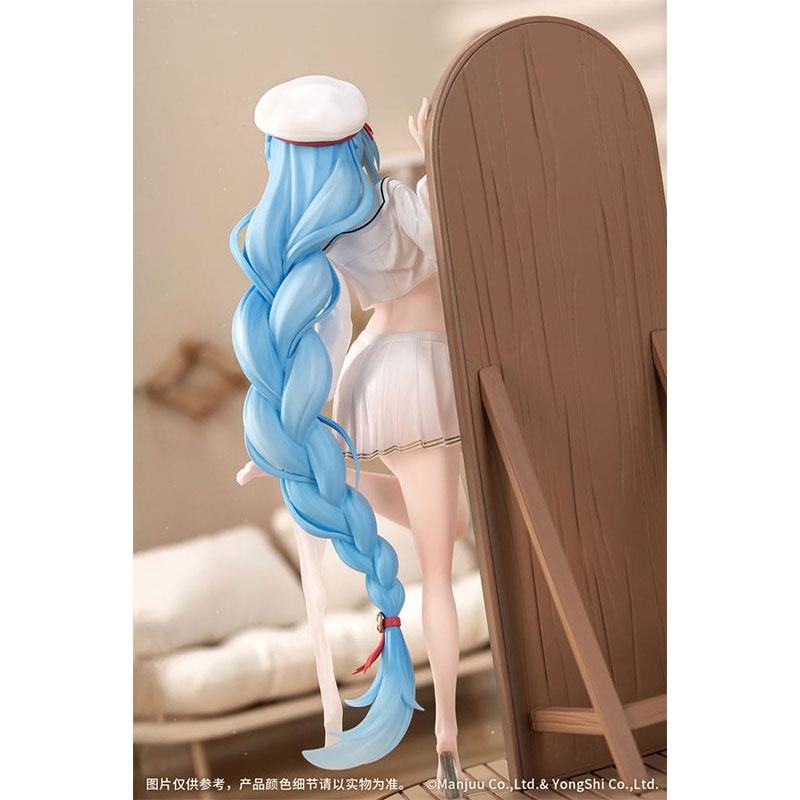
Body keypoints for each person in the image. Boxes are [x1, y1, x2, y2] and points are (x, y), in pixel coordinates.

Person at [231, 75, 468, 789]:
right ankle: (448, 739)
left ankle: (330, 473)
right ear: (363, 139)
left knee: (452, 527)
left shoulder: (324, 238)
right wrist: (438, 159)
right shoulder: (403, 200)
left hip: (370, 373)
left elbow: (328, 341)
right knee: (439, 569)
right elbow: (458, 250)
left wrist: (294, 429)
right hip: (423, 372)